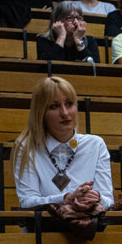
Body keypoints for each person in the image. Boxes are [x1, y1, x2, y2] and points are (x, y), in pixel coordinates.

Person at [12, 76, 113, 211]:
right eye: (54, 106)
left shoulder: (95, 145)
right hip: (42, 229)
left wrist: (95, 197)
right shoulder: (26, 147)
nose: (65, 113)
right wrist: (66, 198)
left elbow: (109, 201)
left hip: (87, 228)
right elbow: (27, 202)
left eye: (69, 104)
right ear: (41, 113)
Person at [35, 1, 100, 63]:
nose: (76, 22)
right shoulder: (44, 40)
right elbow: (46, 67)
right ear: (57, 21)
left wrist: (78, 40)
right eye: (70, 18)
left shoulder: (90, 41)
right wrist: (61, 37)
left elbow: (95, 68)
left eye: (78, 18)